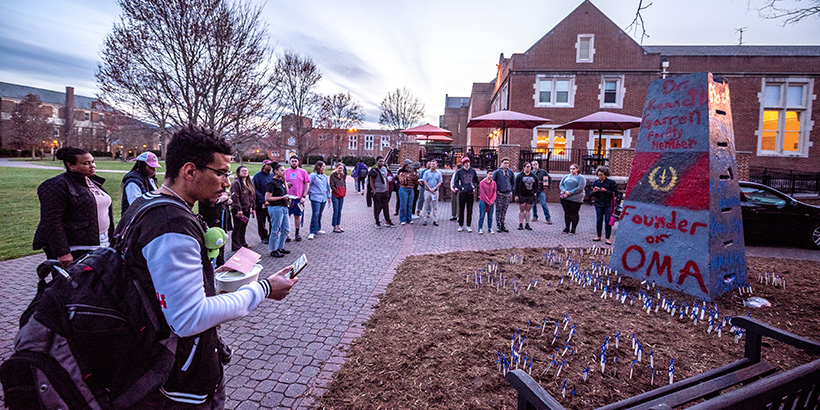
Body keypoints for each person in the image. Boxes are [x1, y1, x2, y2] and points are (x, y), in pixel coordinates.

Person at [120, 125, 297, 407]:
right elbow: (189, 318)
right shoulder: (172, 224)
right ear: (190, 171)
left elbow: (153, 278)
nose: (227, 182)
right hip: (176, 379)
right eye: (221, 173)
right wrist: (264, 289)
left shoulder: (147, 203)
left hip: (151, 359)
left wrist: (208, 276)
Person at [33, 147, 114, 267]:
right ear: (70, 165)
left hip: (101, 241)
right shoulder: (56, 185)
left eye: (92, 162)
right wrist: (62, 252)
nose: (92, 166)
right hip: (76, 247)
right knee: (77, 284)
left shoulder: (92, 182)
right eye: (86, 163)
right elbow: (51, 221)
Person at [198, 191, 232, 266]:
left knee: (222, 239)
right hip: (211, 218)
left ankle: (220, 262)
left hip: (221, 213)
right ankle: (212, 264)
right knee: (213, 242)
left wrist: (226, 200)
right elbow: (207, 199)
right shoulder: (206, 186)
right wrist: (221, 199)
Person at [121, 151, 160, 215]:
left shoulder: (150, 179)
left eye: (155, 167)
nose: (154, 170)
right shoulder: (132, 182)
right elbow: (136, 206)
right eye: (151, 167)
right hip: (136, 222)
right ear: (142, 165)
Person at [266, 162, 291, 257]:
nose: (284, 172)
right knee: (276, 229)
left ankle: (280, 247)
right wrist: (281, 198)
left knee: (286, 229)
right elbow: (268, 198)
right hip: (276, 208)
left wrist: (284, 181)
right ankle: (273, 249)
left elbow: (287, 192)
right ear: (276, 171)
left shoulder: (281, 181)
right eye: (282, 170)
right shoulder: (272, 183)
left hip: (284, 207)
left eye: (284, 170)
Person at [591, 166, 619, 245]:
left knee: (607, 220)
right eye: (599, 175)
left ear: (606, 175)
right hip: (598, 204)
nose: (600, 177)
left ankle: (607, 238)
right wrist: (594, 191)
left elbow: (616, 193)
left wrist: (606, 191)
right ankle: (598, 236)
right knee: (599, 220)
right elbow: (590, 194)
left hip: (608, 204)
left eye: (602, 175)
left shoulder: (611, 183)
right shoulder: (595, 183)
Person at [285, 155, 310, 242]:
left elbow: (306, 184)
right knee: (286, 216)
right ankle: (286, 234)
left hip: (298, 198)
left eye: (295, 161)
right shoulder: (285, 172)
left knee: (297, 216)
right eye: (292, 161)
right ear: (289, 162)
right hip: (288, 198)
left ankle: (297, 233)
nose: (294, 162)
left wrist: (304, 196)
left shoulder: (303, 172)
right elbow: (280, 183)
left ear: (298, 162)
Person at [230, 165, 255, 251]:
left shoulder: (249, 183)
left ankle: (242, 243)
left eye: (246, 171)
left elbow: (252, 196)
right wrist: (239, 209)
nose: (245, 172)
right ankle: (236, 245)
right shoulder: (236, 183)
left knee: (243, 227)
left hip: (247, 208)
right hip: (238, 209)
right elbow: (235, 197)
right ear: (238, 173)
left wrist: (253, 208)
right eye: (243, 171)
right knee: (237, 227)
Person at [368, 156, 396, 228]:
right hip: (377, 191)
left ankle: (388, 221)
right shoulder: (374, 170)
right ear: (377, 162)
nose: (381, 163)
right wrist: (374, 190)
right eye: (380, 161)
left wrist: (387, 187)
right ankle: (377, 222)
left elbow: (386, 178)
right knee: (377, 207)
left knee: (386, 207)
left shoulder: (384, 169)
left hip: (385, 191)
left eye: (382, 161)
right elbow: (371, 181)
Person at [559, 163, 586, 235]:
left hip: (576, 199)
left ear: (577, 169)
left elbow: (580, 187)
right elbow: (561, 184)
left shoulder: (580, 177)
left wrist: (570, 192)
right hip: (565, 198)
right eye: (571, 169)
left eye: (573, 169)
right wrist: (565, 191)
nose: (572, 170)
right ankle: (566, 227)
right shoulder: (566, 176)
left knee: (574, 213)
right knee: (567, 213)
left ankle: (573, 229)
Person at [453, 157, 478, 232]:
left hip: (470, 193)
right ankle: (460, 225)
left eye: (468, 162)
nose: (467, 164)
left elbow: (476, 181)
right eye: (466, 163)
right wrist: (461, 187)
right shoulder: (460, 172)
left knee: (469, 210)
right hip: (463, 193)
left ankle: (468, 225)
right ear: (463, 164)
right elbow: (456, 182)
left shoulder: (473, 171)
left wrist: (474, 186)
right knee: (461, 209)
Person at [307, 161, 331, 239]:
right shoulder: (313, 175)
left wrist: (328, 197)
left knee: (320, 214)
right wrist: (310, 194)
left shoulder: (324, 176)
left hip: (323, 198)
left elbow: (327, 187)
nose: (324, 168)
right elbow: (307, 185)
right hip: (315, 197)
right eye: (323, 166)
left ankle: (318, 228)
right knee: (315, 214)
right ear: (319, 167)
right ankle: (312, 231)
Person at [252, 160, 273, 244]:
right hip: (261, 203)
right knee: (261, 221)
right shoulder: (257, 176)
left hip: (271, 202)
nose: (269, 166)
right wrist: (264, 199)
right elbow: (255, 189)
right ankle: (263, 236)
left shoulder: (272, 175)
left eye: (270, 165)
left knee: (272, 220)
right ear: (263, 165)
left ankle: (271, 235)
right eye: (268, 165)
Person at [493, 157, 515, 233]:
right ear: (501, 163)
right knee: (498, 209)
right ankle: (498, 224)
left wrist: (511, 189)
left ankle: (502, 223)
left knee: (504, 209)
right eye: (505, 163)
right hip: (499, 193)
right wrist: (496, 191)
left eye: (507, 163)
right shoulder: (497, 172)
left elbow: (513, 182)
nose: (506, 165)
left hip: (507, 193)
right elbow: (493, 182)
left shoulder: (510, 172)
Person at [515, 162, 537, 230]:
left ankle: (527, 224)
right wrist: (516, 195)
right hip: (522, 195)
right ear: (524, 167)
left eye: (529, 166)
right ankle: (520, 223)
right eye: (527, 166)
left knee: (528, 210)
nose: (528, 168)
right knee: (522, 210)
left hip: (530, 195)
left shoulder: (534, 176)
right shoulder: (520, 176)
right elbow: (516, 186)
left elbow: (536, 185)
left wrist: (535, 193)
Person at [420, 160, 442, 226]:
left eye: (434, 164)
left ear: (436, 165)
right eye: (431, 164)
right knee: (426, 206)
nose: (432, 165)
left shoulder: (438, 173)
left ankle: (435, 220)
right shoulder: (426, 172)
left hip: (435, 191)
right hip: (427, 191)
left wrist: (435, 188)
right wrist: (429, 188)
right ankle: (425, 220)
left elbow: (440, 182)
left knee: (435, 207)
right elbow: (424, 181)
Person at [531, 160, 552, 224]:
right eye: (534, 165)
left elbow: (549, 178)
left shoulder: (542, 172)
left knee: (543, 204)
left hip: (540, 190)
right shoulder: (531, 173)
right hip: (534, 191)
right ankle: (535, 216)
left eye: (536, 164)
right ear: (532, 166)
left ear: (538, 164)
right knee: (534, 204)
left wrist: (546, 185)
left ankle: (548, 218)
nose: (535, 166)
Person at [329, 162, 347, 233]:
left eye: (341, 168)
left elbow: (344, 183)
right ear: (336, 168)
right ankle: (334, 226)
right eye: (339, 168)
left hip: (341, 195)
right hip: (335, 195)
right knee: (336, 211)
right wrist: (336, 191)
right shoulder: (333, 175)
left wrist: (344, 189)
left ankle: (338, 225)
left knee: (340, 211)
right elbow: (332, 185)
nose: (340, 170)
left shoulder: (342, 175)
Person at [478, 170, 497, 234]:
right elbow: (482, 193)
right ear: (487, 174)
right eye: (490, 174)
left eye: (492, 174)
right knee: (482, 215)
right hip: (483, 201)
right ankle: (480, 228)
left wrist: (492, 200)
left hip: (491, 201)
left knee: (490, 216)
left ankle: (490, 228)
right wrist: (487, 200)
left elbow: (494, 192)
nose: (491, 176)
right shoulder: (482, 183)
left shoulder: (494, 183)